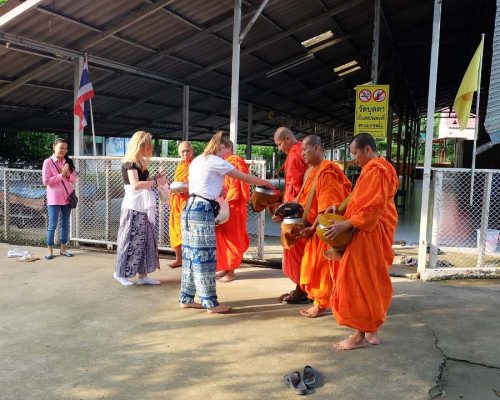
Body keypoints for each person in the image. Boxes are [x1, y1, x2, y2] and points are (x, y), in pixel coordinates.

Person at [180, 131, 275, 314]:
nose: (227, 155)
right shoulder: (217, 160)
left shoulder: (198, 160)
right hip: (202, 211)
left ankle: (186, 298)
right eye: (226, 150)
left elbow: (204, 184)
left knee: (190, 257)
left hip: (189, 210)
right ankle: (210, 303)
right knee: (204, 258)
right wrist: (265, 183)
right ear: (222, 146)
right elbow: (244, 178)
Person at [324, 133, 399, 350]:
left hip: (370, 232)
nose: (354, 159)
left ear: (368, 149)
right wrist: (338, 208)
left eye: (356, 153)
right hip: (368, 231)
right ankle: (371, 330)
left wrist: (345, 224)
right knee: (370, 281)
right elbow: (358, 198)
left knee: (357, 281)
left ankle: (358, 335)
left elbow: (372, 209)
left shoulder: (378, 170)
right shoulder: (373, 169)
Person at [295, 135, 351, 318]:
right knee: (314, 267)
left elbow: (329, 209)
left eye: (305, 149)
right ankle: (324, 301)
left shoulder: (327, 172)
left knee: (322, 268)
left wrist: (312, 229)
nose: (302, 153)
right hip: (314, 227)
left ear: (317, 148)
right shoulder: (313, 170)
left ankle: (321, 304)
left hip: (326, 230)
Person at [114, 131, 168, 286]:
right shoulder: (129, 163)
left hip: (143, 208)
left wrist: (156, 179)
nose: (149, 148)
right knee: (129, 241)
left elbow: (143, 182)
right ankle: (120, 273)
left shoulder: (139, 163)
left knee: (145, 241)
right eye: (147, 145)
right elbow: (136, 185)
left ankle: (143, 275)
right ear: (140, 145)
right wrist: (156, 182)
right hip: (133, 207)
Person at [273, 127, 308, 303]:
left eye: (279, 144)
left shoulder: (295, 156)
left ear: (287, 140)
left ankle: (302, 290)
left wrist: (284, 210)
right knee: (304, 251)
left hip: (297, 212)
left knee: (295, 249)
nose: (279, 148)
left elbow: (295, 188)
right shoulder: (302, 149)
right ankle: (304, 288)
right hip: (306, 208)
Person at [215, 140, 250, 283]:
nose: (218, 152)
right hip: (225, 204)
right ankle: (226, 266)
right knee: (222, 237)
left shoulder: (234, 162)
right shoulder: (224, 161)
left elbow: (235, 187)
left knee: (232, 238)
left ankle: (231, 272)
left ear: (229, 148)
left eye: (221, 148)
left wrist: (225, 201)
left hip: (233, 205)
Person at [42, 138, 78, 260]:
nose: (63, 150)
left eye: (65, 148)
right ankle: (50, 250)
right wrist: (61, 175)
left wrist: (67, 174)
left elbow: (73, 179)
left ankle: (63, 249)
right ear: (54, 147)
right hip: (54, 199)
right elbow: (46, 181)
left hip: (67, 198)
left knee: (65, 224)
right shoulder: (48, 162)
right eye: (60, 147)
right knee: (52, 225)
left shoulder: (67, 162)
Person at [168, 141, 194, 268]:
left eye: (187, 150)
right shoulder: (180, 166)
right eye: (182, 151)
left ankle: (190, 260)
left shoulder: (195, 165)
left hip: (188, 201)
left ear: (192, 151)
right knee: (175, 230)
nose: (185, 153)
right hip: (176, 202)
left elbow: (196, 183)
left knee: (187, 231)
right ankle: (179, 259)